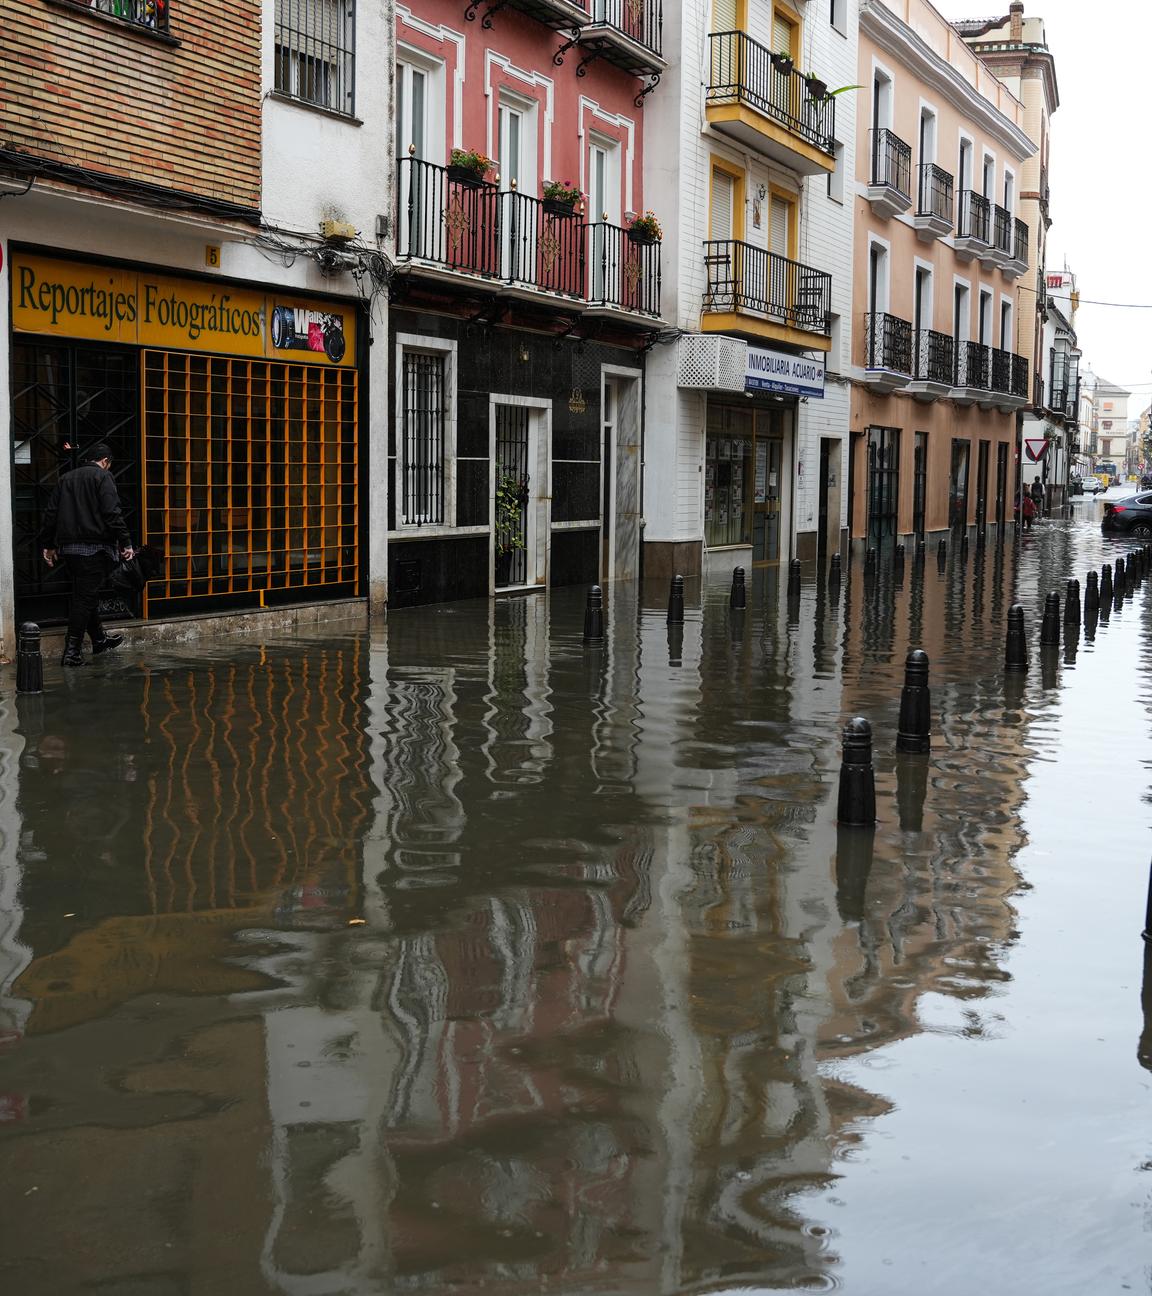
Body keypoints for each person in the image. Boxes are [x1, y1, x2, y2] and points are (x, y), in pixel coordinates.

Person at [39, 443, 134, 667]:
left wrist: (48, 545)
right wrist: (126, 542)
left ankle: (99, 639)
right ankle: (71, 652)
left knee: (86, 593)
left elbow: (51, 513)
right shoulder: (103, 477)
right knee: (84, 597)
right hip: (94, 549)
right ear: (105, 461)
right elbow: (112, 512)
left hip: (69, 550)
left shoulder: (65, 479)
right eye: (108, 465)